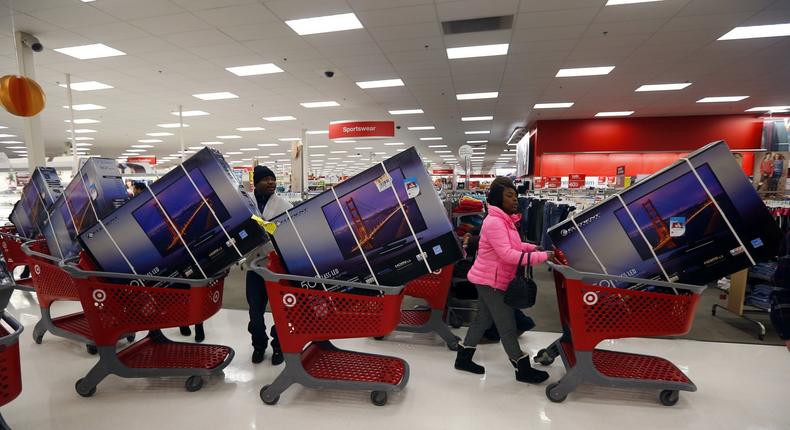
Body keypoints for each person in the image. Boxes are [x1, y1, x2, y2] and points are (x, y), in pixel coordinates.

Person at [454, 178, 553, 384]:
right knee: (507, 324)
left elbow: (513, 245)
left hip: (489, 278)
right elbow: (507, 254)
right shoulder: (495, 222)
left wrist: (531, 248)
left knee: (482, 319)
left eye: (515, 196)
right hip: (491, 281)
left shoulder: (504, 220)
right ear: (498, 198)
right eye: (509, 196)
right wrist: (543, 258)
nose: (514, 200)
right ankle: (521, 368)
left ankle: (463, 359)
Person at [247, 165, 292, 364]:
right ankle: (259, 345)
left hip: (277, 268)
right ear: (256, 183)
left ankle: (278, 346)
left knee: (280, 311)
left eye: (272, 178)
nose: (271, 182)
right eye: (265, 179)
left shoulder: (284, 205)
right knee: (255, 312)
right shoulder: (245, 203)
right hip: (254, 267)